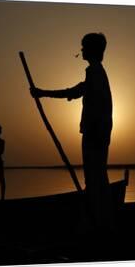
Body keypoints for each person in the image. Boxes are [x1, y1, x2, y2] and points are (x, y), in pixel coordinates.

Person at [30, 33, 114, 235]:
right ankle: (102, 214)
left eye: (84, 47)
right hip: (99, 132)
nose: (81, 50)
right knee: (98, 177)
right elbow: (76, 92)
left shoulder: (95, 73)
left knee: (95, 178)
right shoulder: (96, 73)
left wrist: (43, 93)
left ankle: (98, 220)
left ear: (92, 50)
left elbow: (77, 93)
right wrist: (44, 93)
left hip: (95, 133)